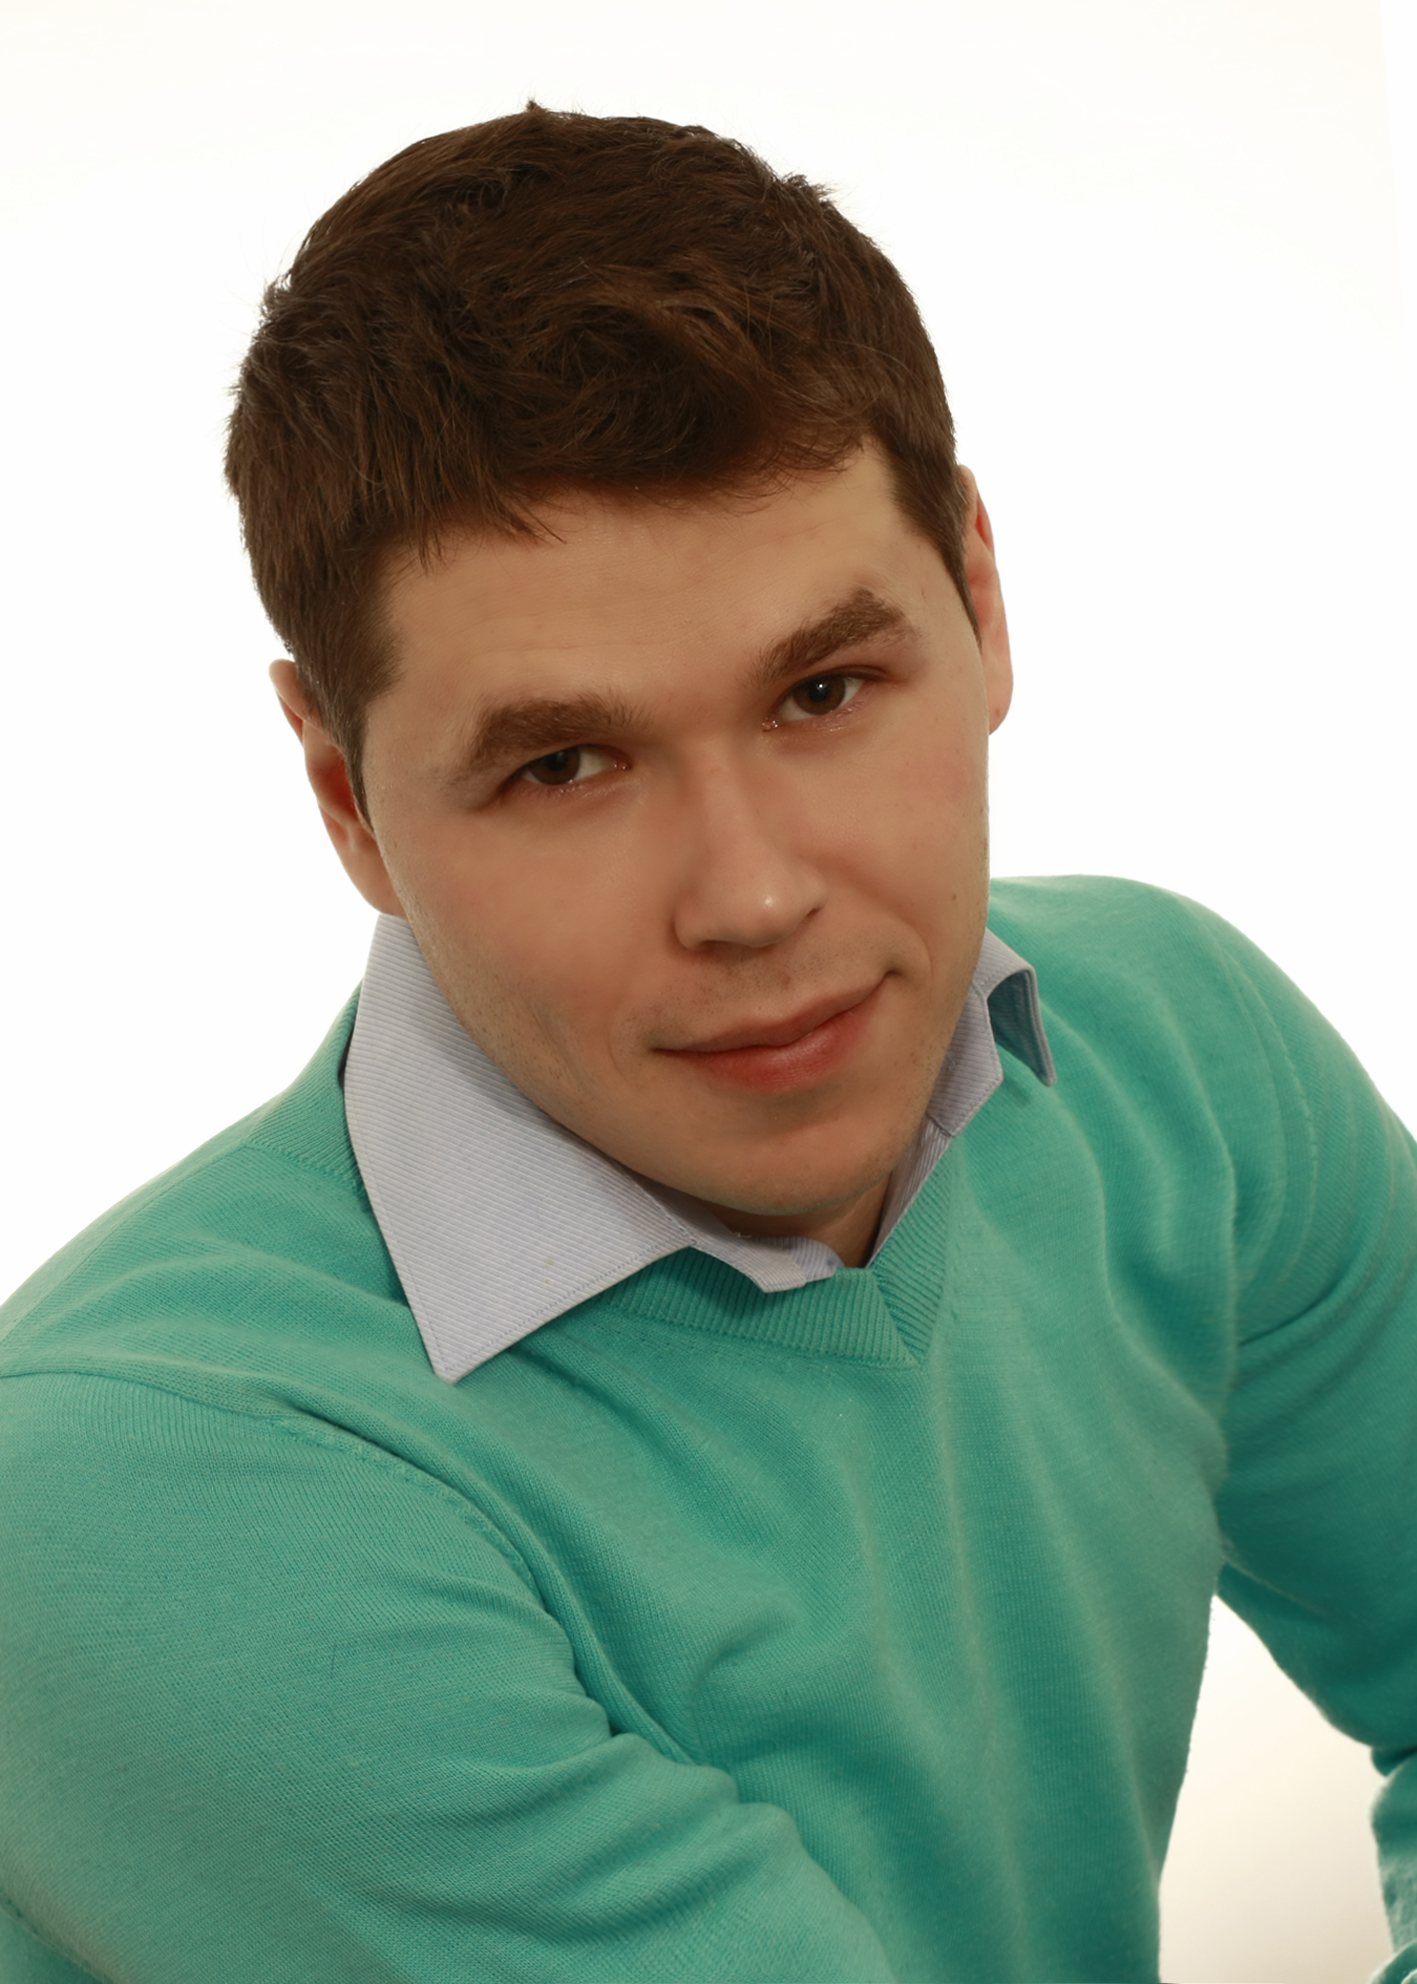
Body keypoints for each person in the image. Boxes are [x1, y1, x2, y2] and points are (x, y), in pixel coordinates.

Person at [0, 100, 1412, 1984]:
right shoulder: (140, 1505)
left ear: (980, 598)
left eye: (822, 689)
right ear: (347, 801)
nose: (749, 897)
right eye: (562, 765)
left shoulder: (1176, 1055)